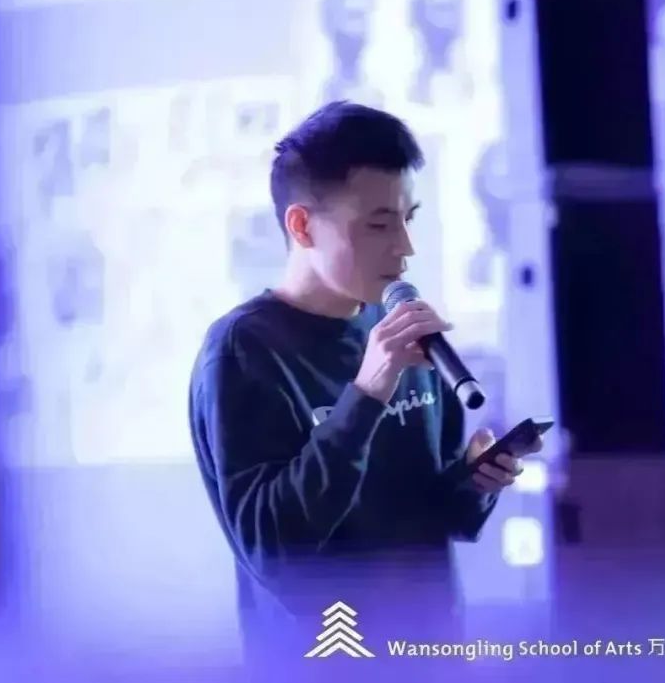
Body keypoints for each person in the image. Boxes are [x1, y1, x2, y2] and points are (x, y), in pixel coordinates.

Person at [187, 101, 540, 675]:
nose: (404, 247)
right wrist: (368, 391)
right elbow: (272, 548)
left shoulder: (405, 330)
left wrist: (477, 480)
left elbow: (436, 514)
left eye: (408, 219)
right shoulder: (244, 351)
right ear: (301, 226)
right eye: (378, 225)